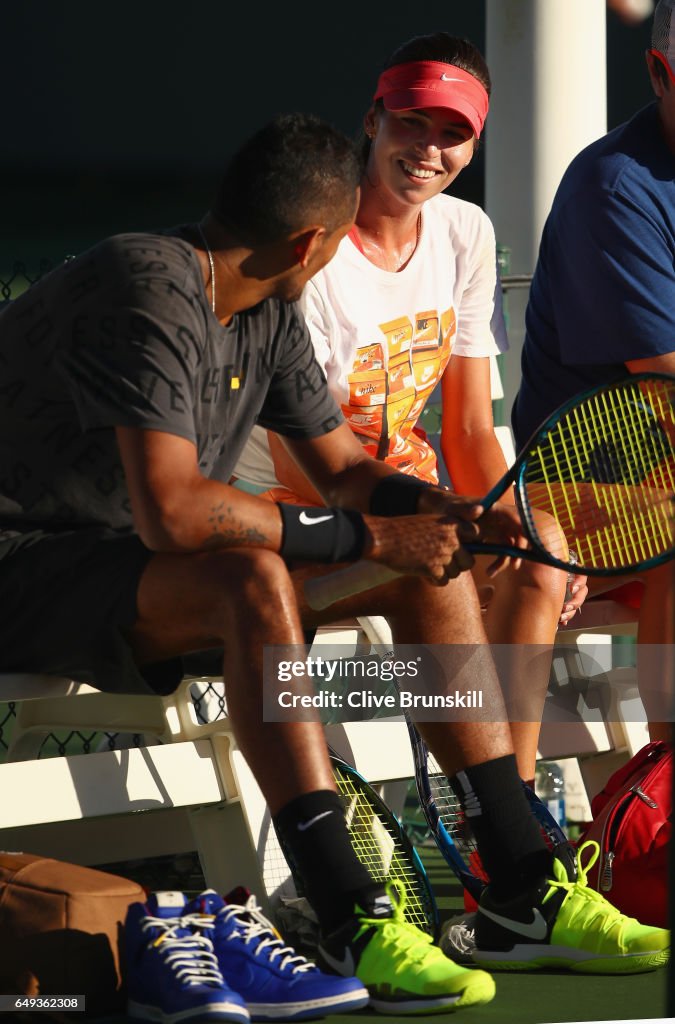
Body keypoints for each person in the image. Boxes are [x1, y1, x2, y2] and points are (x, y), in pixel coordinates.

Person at [0, 113, 667, 1021]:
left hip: (127, 568)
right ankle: (353, 915)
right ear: (313, 240)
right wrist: (369, 539)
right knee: (253, 576)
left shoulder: (267, 310)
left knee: (418, 566)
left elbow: (348, 474)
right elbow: (176, 509)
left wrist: (451, 516)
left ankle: (523, 885)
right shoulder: (146, 283)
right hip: (26, 567)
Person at [233, 32, 585, 792]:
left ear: (473, 144)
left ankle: (507, 814)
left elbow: (465, 429)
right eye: (412, 122)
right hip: (301, 517)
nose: (428, 148)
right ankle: (496, 814)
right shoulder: (313, 246)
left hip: (421, 505)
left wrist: (510, 521)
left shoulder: (465, 233)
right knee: (446, 571)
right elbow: (308, 460)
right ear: (373, 121)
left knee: (541, 550)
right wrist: (435, 521)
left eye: (452, 133)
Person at [512, 0, 675, 743]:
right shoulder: (614, 189)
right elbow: (667, 388)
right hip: (580, 489)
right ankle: (665, 786)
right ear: (656, 72)